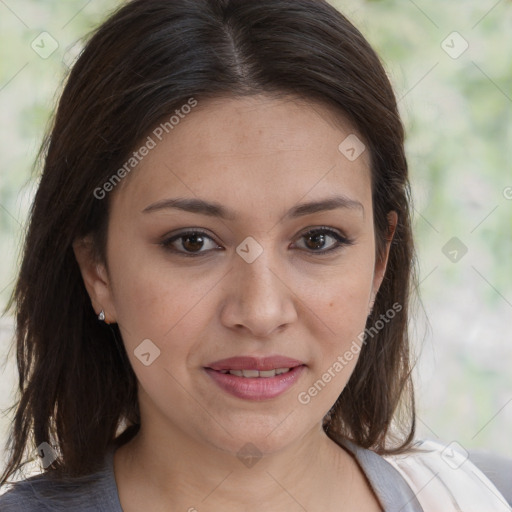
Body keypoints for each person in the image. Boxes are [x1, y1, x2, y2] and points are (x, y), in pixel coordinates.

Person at [0, 0, 510, 510]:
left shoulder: (484, 497)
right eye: (193, 242)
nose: (262, 312)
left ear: (380, 261)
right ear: (98, 271)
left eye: (318, 240)